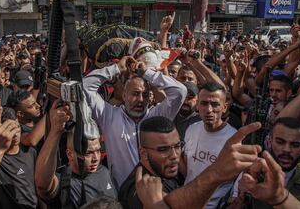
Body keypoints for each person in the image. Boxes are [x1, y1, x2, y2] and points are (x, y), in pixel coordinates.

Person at [83, 56, 187, 188]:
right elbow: (85, 86)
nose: (140, 99)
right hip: (122, 194)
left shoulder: (158, 115)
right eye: (135, 94)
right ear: (124, 95)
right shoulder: (108, 115)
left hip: (155, 193)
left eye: (145, 94)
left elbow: (180, 91)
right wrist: (116, 68)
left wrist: (147, 73)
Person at [232, 117, 300, 208]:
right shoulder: (252, 172)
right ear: (269, 141)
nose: (286, 149)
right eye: (280, 142)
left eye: (295, 145)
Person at [35, 101, 117, 208]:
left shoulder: (104, 172)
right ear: (70, 154)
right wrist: (55, 131)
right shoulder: (65, 183)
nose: (96, 158)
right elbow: (43, 185)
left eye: (98, 151)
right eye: (88, 153)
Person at [182, 82, 237, 208]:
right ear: (197, 105)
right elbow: (187, 166)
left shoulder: (234, 139)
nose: (209, 110)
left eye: (215, 104)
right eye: (204, 103)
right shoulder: (191, 129)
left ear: (224, 107)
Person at [118, 116, 182, 209]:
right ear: (144, 154)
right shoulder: (140, 195)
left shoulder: (164, 170)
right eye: (163, 149)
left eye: (177, 146)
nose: (174, 156)